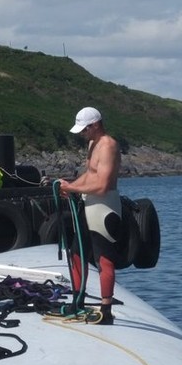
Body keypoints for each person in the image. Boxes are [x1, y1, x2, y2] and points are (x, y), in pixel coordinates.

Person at [57, 107, 122, 325]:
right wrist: (71, 186)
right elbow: (89, 175)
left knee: (104, 258)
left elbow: (103, 185)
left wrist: (73, 189)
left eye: (85, 130)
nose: (83, 134)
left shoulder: (108, 146)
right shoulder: (92, 144)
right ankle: (78, 300)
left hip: (104, 207)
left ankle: (106, 309)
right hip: (88, 203)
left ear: (94, 125)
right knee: (77, 253)